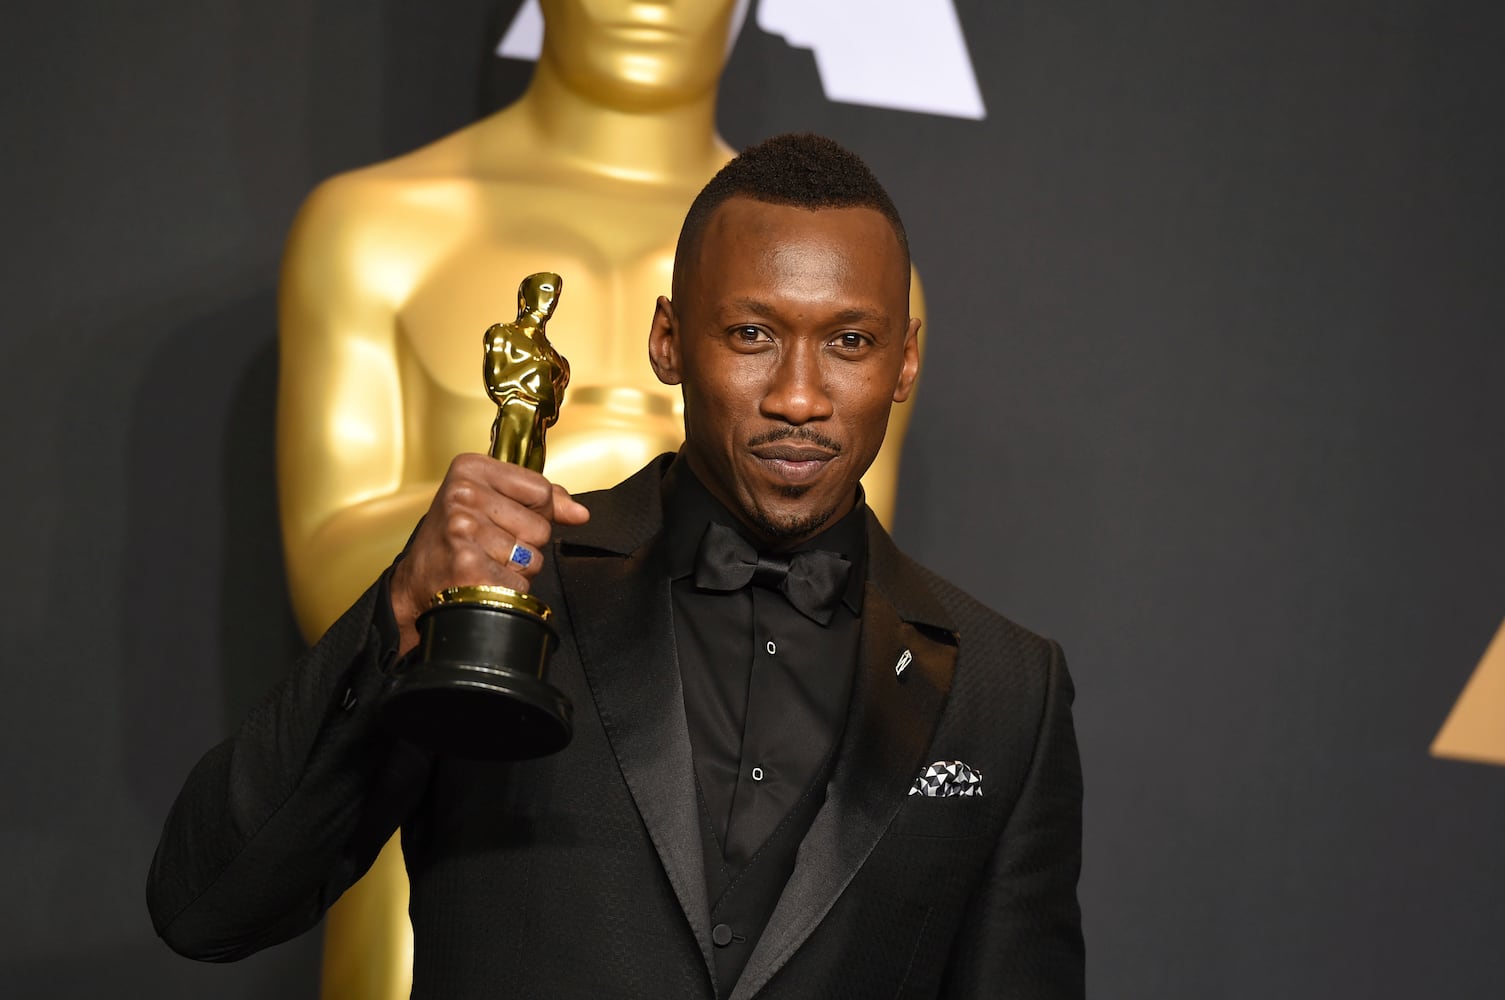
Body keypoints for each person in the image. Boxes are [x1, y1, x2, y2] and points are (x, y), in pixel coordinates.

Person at [149, 133, 1084, 999]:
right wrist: (399, 607)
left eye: (849, 341)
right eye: (752, 334)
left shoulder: (1005, 689)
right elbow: (209, 907)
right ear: (668, 341)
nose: (800, 397)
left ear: (905, 360)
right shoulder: (510, 593)